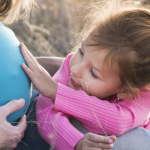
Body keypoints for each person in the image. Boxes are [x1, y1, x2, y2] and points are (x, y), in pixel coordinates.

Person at [19, 1, 150, 150]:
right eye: (81, 52)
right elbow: (45, 113)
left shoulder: (139, 95)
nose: (75, 69)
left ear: (126, 90)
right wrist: (76, 142)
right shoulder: (73, 66)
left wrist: (56, 92)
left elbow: (117, 120)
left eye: (93, 73)